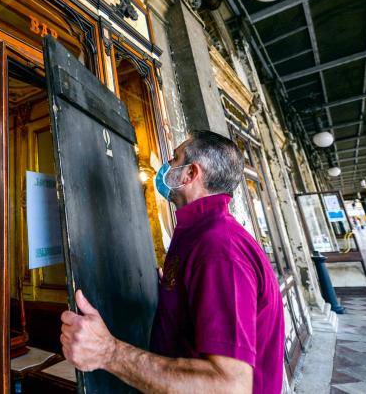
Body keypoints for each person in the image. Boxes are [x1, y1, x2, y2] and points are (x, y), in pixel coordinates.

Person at [59, 130, 284, 394]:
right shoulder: (199, 232)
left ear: (190, 174)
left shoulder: (220, 247)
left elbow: (229, 386)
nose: (166, 165)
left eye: (175, 158)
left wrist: (108, 352)